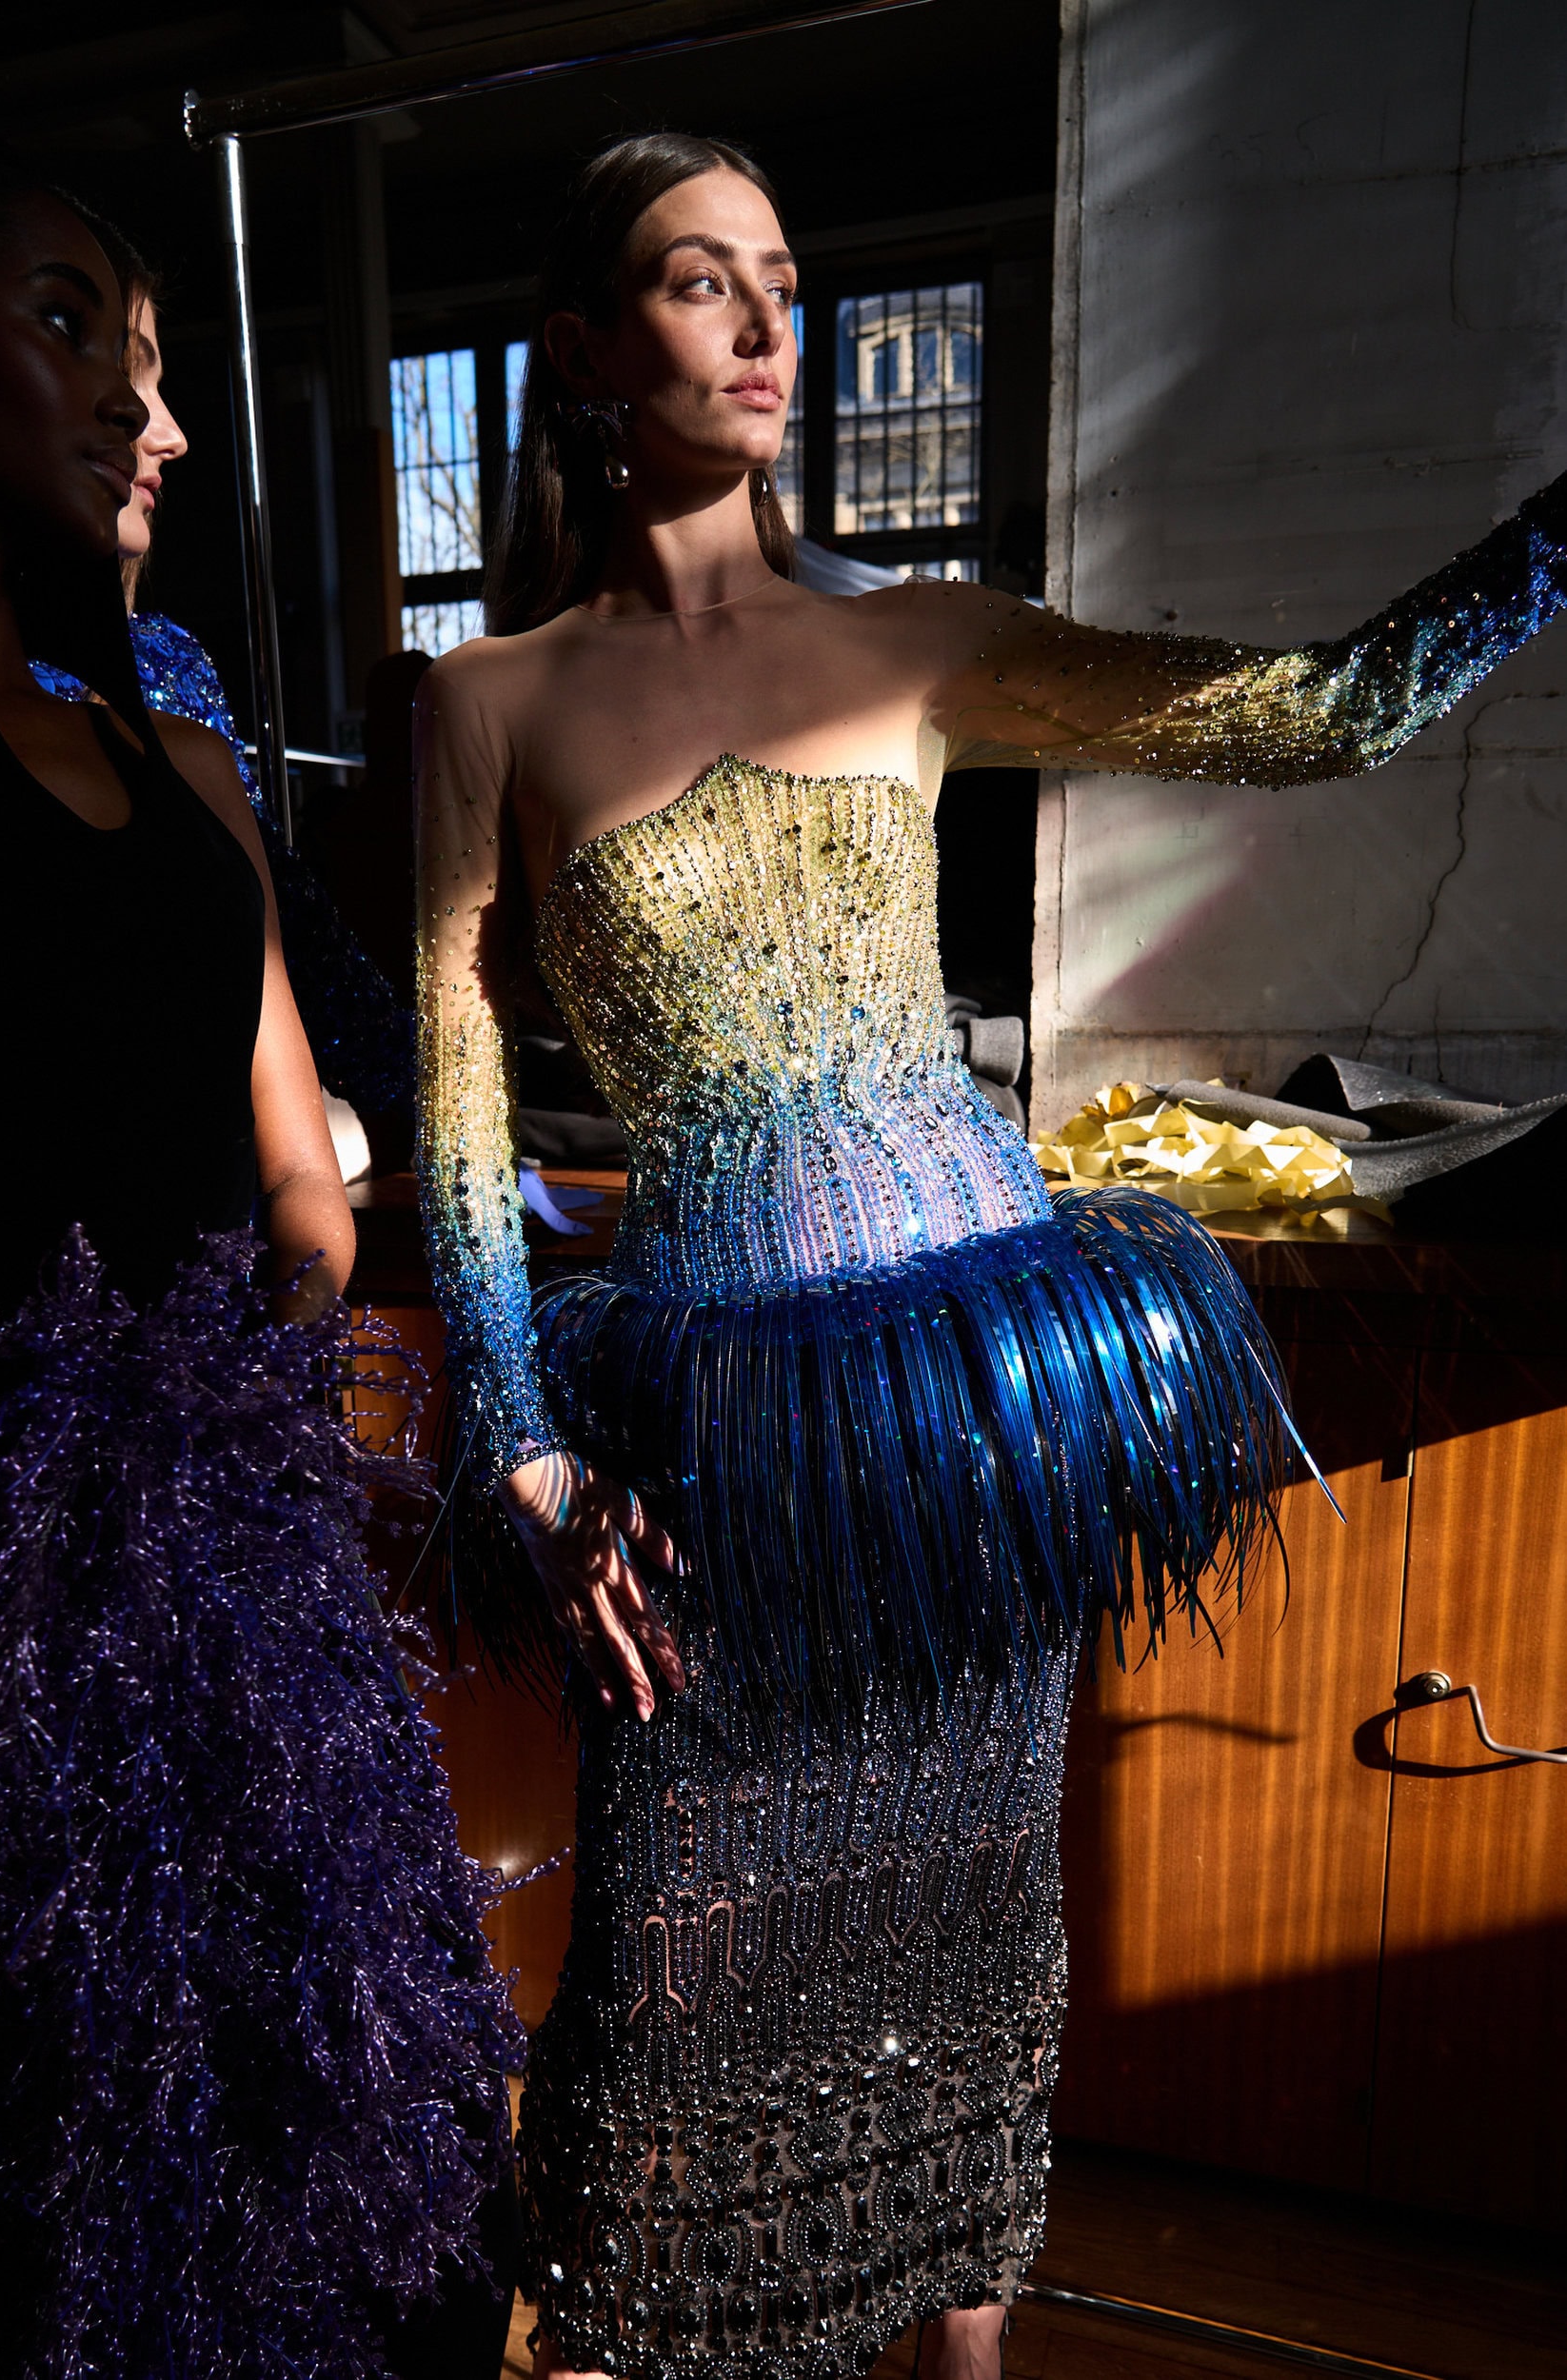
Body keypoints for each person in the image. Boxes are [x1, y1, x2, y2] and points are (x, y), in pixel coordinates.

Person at [414, 134, 1567, 2380]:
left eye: (782, 278)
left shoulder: (921, 634)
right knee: (663, 2010)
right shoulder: (486, 704)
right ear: (583, 349)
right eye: (696, 282)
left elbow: (1323, 712)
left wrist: (1553, 543)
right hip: (724, 1456)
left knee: (968, 1979)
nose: (766, 326)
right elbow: (460, 1107)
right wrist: (530, 1462)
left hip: (970, 1432)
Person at [0, 162, 518, 2378]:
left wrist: (245, 1408)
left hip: (193, 1551)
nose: (152, 412)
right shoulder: (167, 767)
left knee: (279, 2140)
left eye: (163, 361)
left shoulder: (183, 754)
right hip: (102, 1561)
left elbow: (313, 1193)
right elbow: (290, 1193)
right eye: (68, 324)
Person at [30, 238, 414, 1138]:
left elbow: (287, 930)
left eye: (151, 381)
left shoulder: (164, 661)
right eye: (128, 375)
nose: (167, 430)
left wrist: (448, 1114)